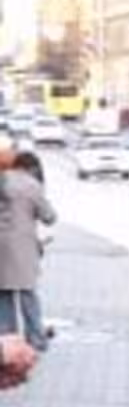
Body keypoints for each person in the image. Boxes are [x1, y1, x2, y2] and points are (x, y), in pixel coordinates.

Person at [0, 132, 57, 356]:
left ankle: (8, 342)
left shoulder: (2, 179)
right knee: (27, 296)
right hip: (22, 249)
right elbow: (49, 217)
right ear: (31, 168)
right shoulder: (31, 185)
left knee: (4, 296)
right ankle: (35, 340)